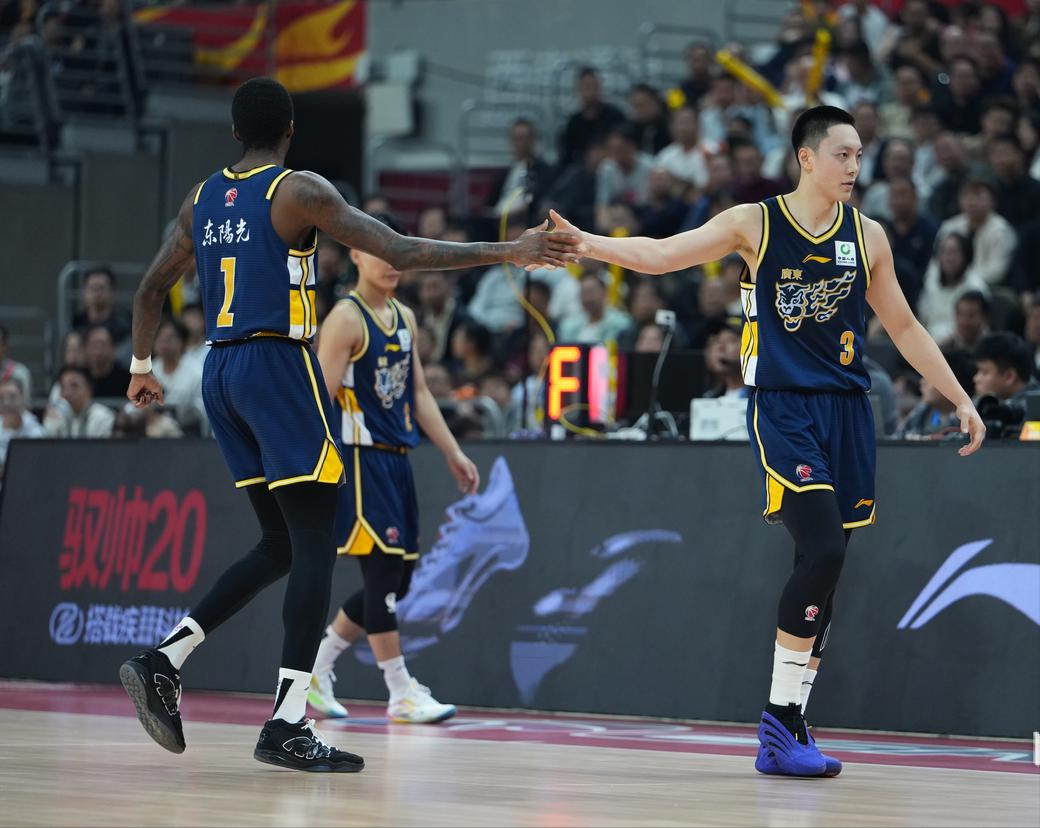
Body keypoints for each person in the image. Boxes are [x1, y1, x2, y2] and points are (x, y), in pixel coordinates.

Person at [117, 77, 577, 773]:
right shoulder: (296, 190)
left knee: (279, 543)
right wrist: (512, 250)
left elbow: (152, 286)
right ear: (290, 130)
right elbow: (399, 250)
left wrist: (141, 366)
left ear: (236, 133)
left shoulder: (201, 198)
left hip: (220, 373)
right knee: (314, 545)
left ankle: (165, 659)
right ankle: (286, 722)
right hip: (276, 365)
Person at [545, 105, 985, 778]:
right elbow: (663, 255)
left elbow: (903, 326)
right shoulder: (755, 222)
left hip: (848, 411)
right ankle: (778, 725)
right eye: (842, 154)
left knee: (827, 570)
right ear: (806, 157)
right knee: (823, 548)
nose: (854, 166)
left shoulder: (867, 236)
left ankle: (792, 724)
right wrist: (590, 244)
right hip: (783, 408)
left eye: (859, 155)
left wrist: (959, 396)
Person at [307, 220, 481, 722]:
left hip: (397, 459)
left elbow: (418, 393)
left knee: (398, 581)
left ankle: (318, 666)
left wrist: (452, 451)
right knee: (382, 575)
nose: (391, 261)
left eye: (396, 251)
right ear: (356, 257)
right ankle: (400, 691)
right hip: (360, 459)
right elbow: (320, 399)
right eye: (378, 252)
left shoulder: (404, 316)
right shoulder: (346, 319)